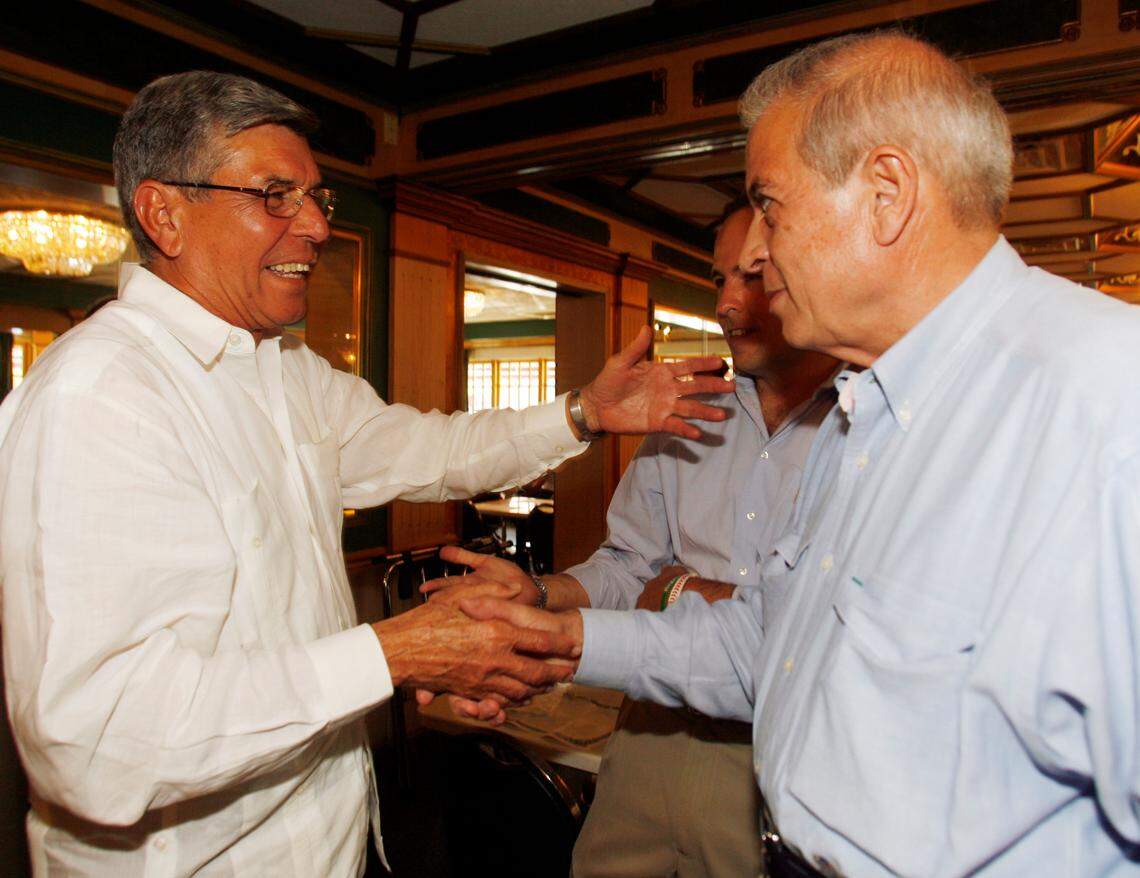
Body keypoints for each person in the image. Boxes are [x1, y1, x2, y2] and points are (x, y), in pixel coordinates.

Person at [0, 71, 734, 876]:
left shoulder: (282, 370)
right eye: (275, 194)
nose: (314, 225)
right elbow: (96, 741)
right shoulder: (101, 397)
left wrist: (582, 415)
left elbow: (436, 451)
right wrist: (396, 653)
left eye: (316, 198)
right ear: (163, 213)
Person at [461, 31, 1140, 877]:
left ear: (886, 195)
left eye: (771, 206)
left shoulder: (1108, 408)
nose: (758, 256)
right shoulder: (867, 414)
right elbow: (767, 648)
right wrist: (559, 637)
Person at [425, 198, 837, 878]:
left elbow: (815, 625)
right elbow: (627, 566)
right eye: (718, 281)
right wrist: (542, 592)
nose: (729, 305)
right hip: (651, 734)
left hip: (782, 757)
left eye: (755, 276)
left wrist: (681, 588)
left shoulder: (864, 430)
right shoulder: (689, 417)